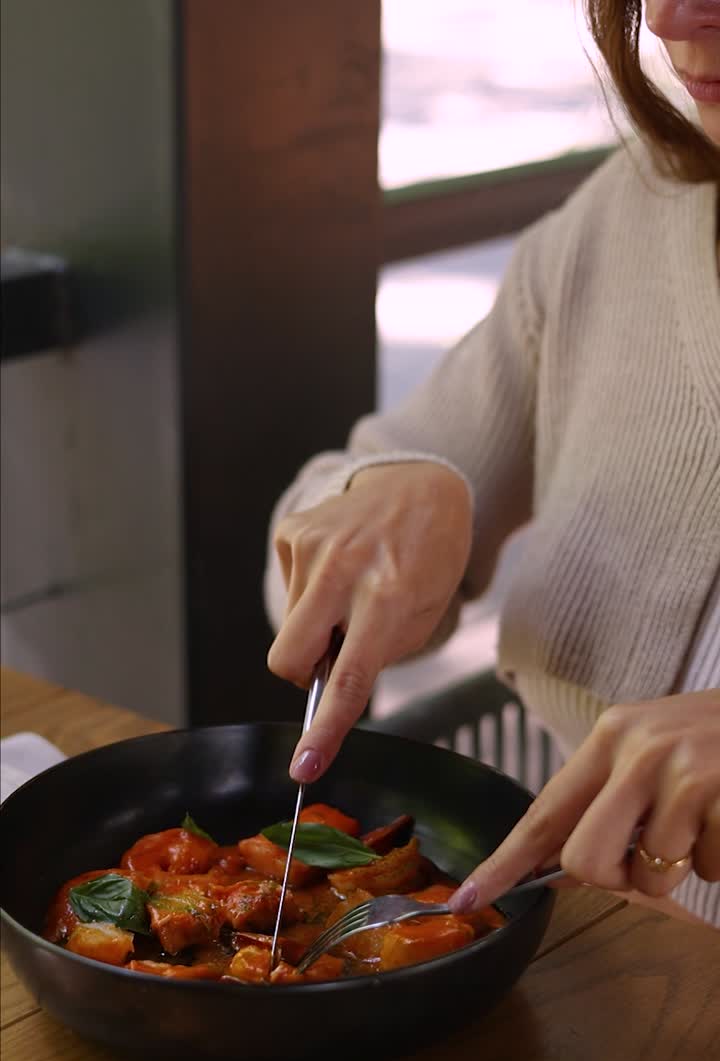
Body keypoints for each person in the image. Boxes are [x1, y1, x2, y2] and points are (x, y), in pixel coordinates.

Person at [263, 0, 720, 927]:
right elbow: (314, 541)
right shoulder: (632, 211)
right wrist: (382, 492)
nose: (669, 14)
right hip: (595, 953)